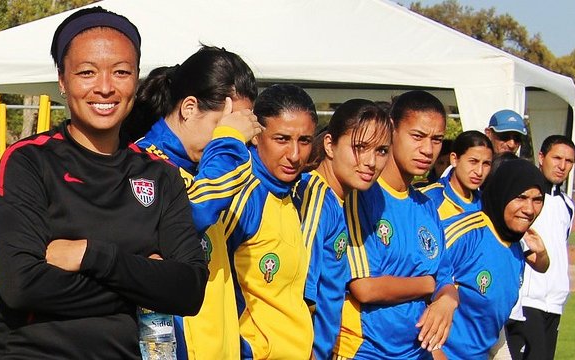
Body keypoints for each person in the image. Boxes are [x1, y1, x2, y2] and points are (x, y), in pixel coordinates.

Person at [0, 7, 208, 359]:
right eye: (87, 72)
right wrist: (146, 280)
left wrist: (93, 255)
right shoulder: (29, 161)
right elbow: (22, 286)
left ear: (136, 79)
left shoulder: (159, 176)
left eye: (120, 72)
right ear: (62, 79)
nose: (104, 88)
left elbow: (189, 290)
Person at [124, 45, 261, 360]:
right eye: (222, 124)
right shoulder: (141, 163)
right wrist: (228, 140)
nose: (229, 137)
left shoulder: (207, 167)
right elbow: (190, 215)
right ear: (188, 107)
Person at [334, 90, 458, 360]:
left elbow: (445, 279)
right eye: (417, 136)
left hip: (416, 353)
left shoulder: (427, 207)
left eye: (436, 140)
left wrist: (448, 301)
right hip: (365, 351)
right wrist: (428, 285)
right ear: (392, 129)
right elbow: (365, 288)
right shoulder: (362, 195)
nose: (428, 149)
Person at [222, 84, 317, 359]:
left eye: (305, 141)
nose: (295, 154)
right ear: (256, 136)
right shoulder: (242, 194)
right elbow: (207, 280)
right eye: (282, 139)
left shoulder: (294, 194)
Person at [293, 99, 393, 359]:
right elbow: (300, 291)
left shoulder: (341, 201)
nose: (371, 162)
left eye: (382, 151)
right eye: (360, 147)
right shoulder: (315, 196)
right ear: (329, 145)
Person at [437, 159, 550, 360]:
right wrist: (435, 352)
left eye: (537, 200)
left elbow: (493, 322)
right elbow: (414, 295)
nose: (529, 209)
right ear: (502, 193)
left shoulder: (515, 248)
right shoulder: (464, 233)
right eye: (521, 197)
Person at [506, 135, 575, 360]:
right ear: (541, 157)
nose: (562, 166)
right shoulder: (524, 200)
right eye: (556, 158)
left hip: (554, 304)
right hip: (526, 303)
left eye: (569, 161)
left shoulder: (568, 205)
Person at [420, 130, 493, 220]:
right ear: (454, 159)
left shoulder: (487, 205)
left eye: (486, 164)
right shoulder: (427, 199)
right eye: (473, 161)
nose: (479, 172)